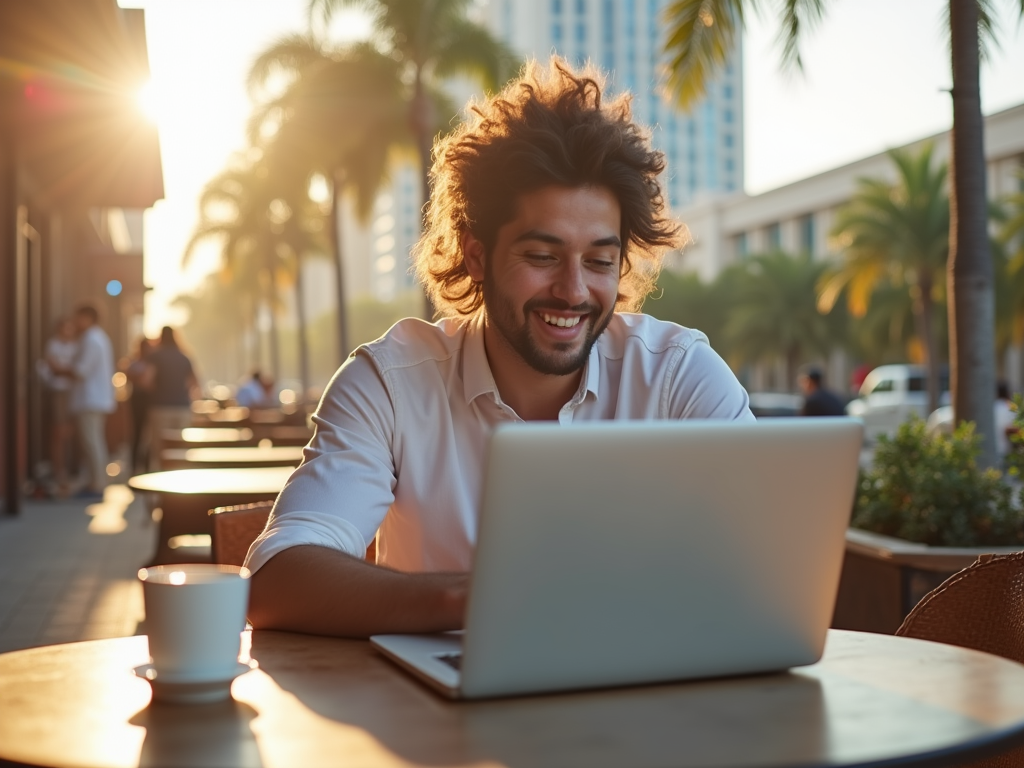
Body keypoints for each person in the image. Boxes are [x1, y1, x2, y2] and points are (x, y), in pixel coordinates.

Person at [246, 57, 754, 639]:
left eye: (598, 261)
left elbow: (763, 562)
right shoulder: (390, 383)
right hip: (440, 721)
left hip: (649, 707)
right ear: (478, 253)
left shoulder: (679, 374)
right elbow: (277, 577)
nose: (573, 290)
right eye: (542, 256)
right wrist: (482, 598)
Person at [65, 304, 116, 500]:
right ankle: (96, 481)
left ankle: (97, 484)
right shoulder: (96, 338)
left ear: (87, 318)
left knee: (92, 442)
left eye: (78, 317)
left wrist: (57, 368)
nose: (75, 322)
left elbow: (81, 371)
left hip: (91, 399)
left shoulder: (92, 339)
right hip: (94, 399)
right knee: (93, 441)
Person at [145, 326, 198, 470]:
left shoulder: (156, 356)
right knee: (181, 449)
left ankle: (160, 487)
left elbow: (147, 380)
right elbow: (195, 383)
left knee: (160, 450)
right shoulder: (184, 357)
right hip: (182, 408)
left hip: (160, 407)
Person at [37, 317, 79, 494]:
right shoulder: (52, 345)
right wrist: (68, 372)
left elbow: (77, 371)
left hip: (74, 394)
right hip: (58, 393)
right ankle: (58, 471)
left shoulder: (77, 346)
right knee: (58, 432)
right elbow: (54, 368)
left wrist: (67, 372)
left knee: (72, 432)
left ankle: (70, 470)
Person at [125, 337, 155, 474]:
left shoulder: (153, 363)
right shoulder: (134, 363)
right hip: (136, 401)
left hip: (149, 401)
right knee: (136, 433)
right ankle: (134, 466)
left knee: (149, 435)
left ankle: (147, 466)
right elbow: (129, 376)